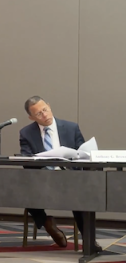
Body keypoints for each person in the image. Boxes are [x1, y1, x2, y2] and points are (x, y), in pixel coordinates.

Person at [19, 96, 96, 251]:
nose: (45, 115)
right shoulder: (26, 133)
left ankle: (89, 241)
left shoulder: (71, 127)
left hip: (70, 179)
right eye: (39, 114)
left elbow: (84, 155)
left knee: (82, 195)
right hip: (42, 180)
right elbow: (27, 161)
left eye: (45, 110)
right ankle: (47, 223)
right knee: (24, 189)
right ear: (31, 117)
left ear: (49, 106)